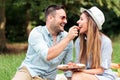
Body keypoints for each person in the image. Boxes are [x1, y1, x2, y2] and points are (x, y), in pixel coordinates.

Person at [12, 5, 78, 80]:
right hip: (29, 73)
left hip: (48, 78)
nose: (65, 21)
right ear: (50, 18)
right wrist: (68, 38)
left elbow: (68, 65)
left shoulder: (67, 37)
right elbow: (47, 55)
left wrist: (70, 77)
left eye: (66, 18)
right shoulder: (37, 32)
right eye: (62, 17)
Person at [71, 6, 116, 80]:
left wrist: (81, 71)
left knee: (77, 76)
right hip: (86, 74)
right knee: (76, 75)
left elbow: (101, 70)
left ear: (91, 23)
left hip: (104, 76)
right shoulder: (79, 41)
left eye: (81, 19)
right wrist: (73, 67)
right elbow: (79, 66)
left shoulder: (105, 42)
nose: (77, 21)